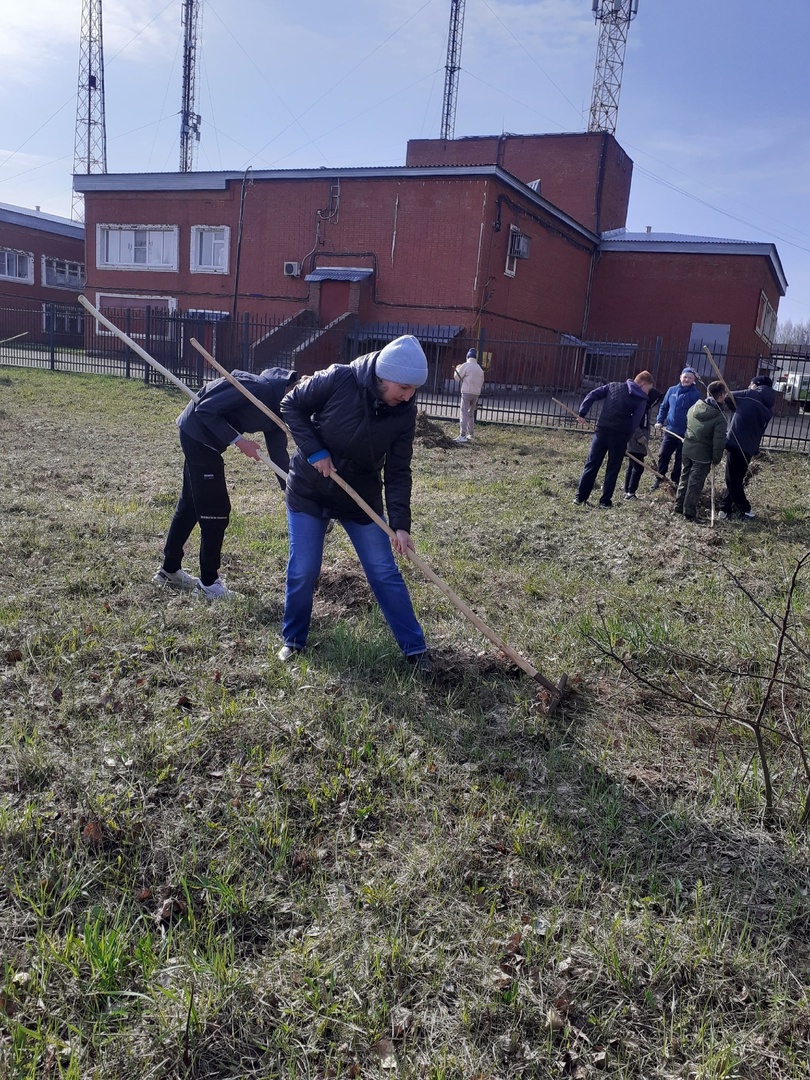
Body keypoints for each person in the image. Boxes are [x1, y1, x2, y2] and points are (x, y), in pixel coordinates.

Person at [277, 334, 432, 673]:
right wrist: (315, 451)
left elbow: (398, 470)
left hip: (359, 498)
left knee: (383, 571)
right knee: (303, 569)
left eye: (413, 390)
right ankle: (293, 640)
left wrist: (400, 524)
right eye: (403, 388)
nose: (408, 396)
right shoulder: (339, 378)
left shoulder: (404, 413)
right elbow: (291, 405)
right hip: (310, 490)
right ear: (383, 375)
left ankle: (415, 650)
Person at [154, 366, 299, 599]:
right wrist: (240, 441)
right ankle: (209, 585)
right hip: (199, 437)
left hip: (208, 443)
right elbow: (205, 409)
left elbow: (279, 454)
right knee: (216, 511)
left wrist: (292, 489)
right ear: (290, 390)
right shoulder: (255, 388)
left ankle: (169, 571)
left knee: (190, 505)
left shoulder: (278, 410)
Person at [574, 371, 654, 508]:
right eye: (648, 389)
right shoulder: (641, 400)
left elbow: (592, 394)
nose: (648, 392)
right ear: (642, 384)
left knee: (591, 464)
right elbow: (634, 423)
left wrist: (582, 412)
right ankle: (605, 502)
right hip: (620, 437)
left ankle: (580, 498)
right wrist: (625, 441)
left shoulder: (613, 386)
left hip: (601, 432)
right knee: (612, 469)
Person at [718, 375, 775, 520]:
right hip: (750, 447)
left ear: (756, 384)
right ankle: (725, 508)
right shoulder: (769, 405)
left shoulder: (750, 394)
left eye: (751, 384)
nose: (749, 386)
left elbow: (727, 397)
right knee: (736, 478)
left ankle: (747, 510)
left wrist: (733, 407)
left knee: (731, 480)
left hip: (736, 443)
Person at [674, 380, 728, 522]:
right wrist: (716, 458)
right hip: (702, 454)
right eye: (725, 395)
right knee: (695, 483)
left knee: (685, 477)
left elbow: (688, 423)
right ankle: (689, 513)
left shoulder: (694, 407)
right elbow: (718, 441)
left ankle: (678, 506)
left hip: (687, 448)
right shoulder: (720, 417)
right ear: (721, 396)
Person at [651, 367, 702, 491]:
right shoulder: (672, 390)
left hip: (685, 434)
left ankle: (675, 482)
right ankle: (659, 478)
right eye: (685, 377)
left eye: (690, 378)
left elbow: (697, 414)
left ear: (693, 380)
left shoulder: (696, 395)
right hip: (670, 431)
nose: (687, 379)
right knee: (663, 455)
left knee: (680, 459)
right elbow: (664, 407)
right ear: (680, 377)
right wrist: (659, 421)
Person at [623, 386, 663, 499]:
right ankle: (630, 492)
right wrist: (640, 436)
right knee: (638, 467)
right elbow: (633, 423)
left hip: (639, 441)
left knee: (632, 466)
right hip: (636, 441)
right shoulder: (640, 406)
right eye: (654, 400)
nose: (654, 403)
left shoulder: (645, 407)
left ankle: (627, 491)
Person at [453, 348, 486, 443]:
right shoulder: (479, 368)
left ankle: (462, 435)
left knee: (464, 412)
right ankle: (471, 433)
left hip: (466, 392)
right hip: (476, 393)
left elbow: (457, 378)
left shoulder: (466, 365)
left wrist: (457, 369)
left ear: (467, 356)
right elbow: (482, 381)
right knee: (471, 413)